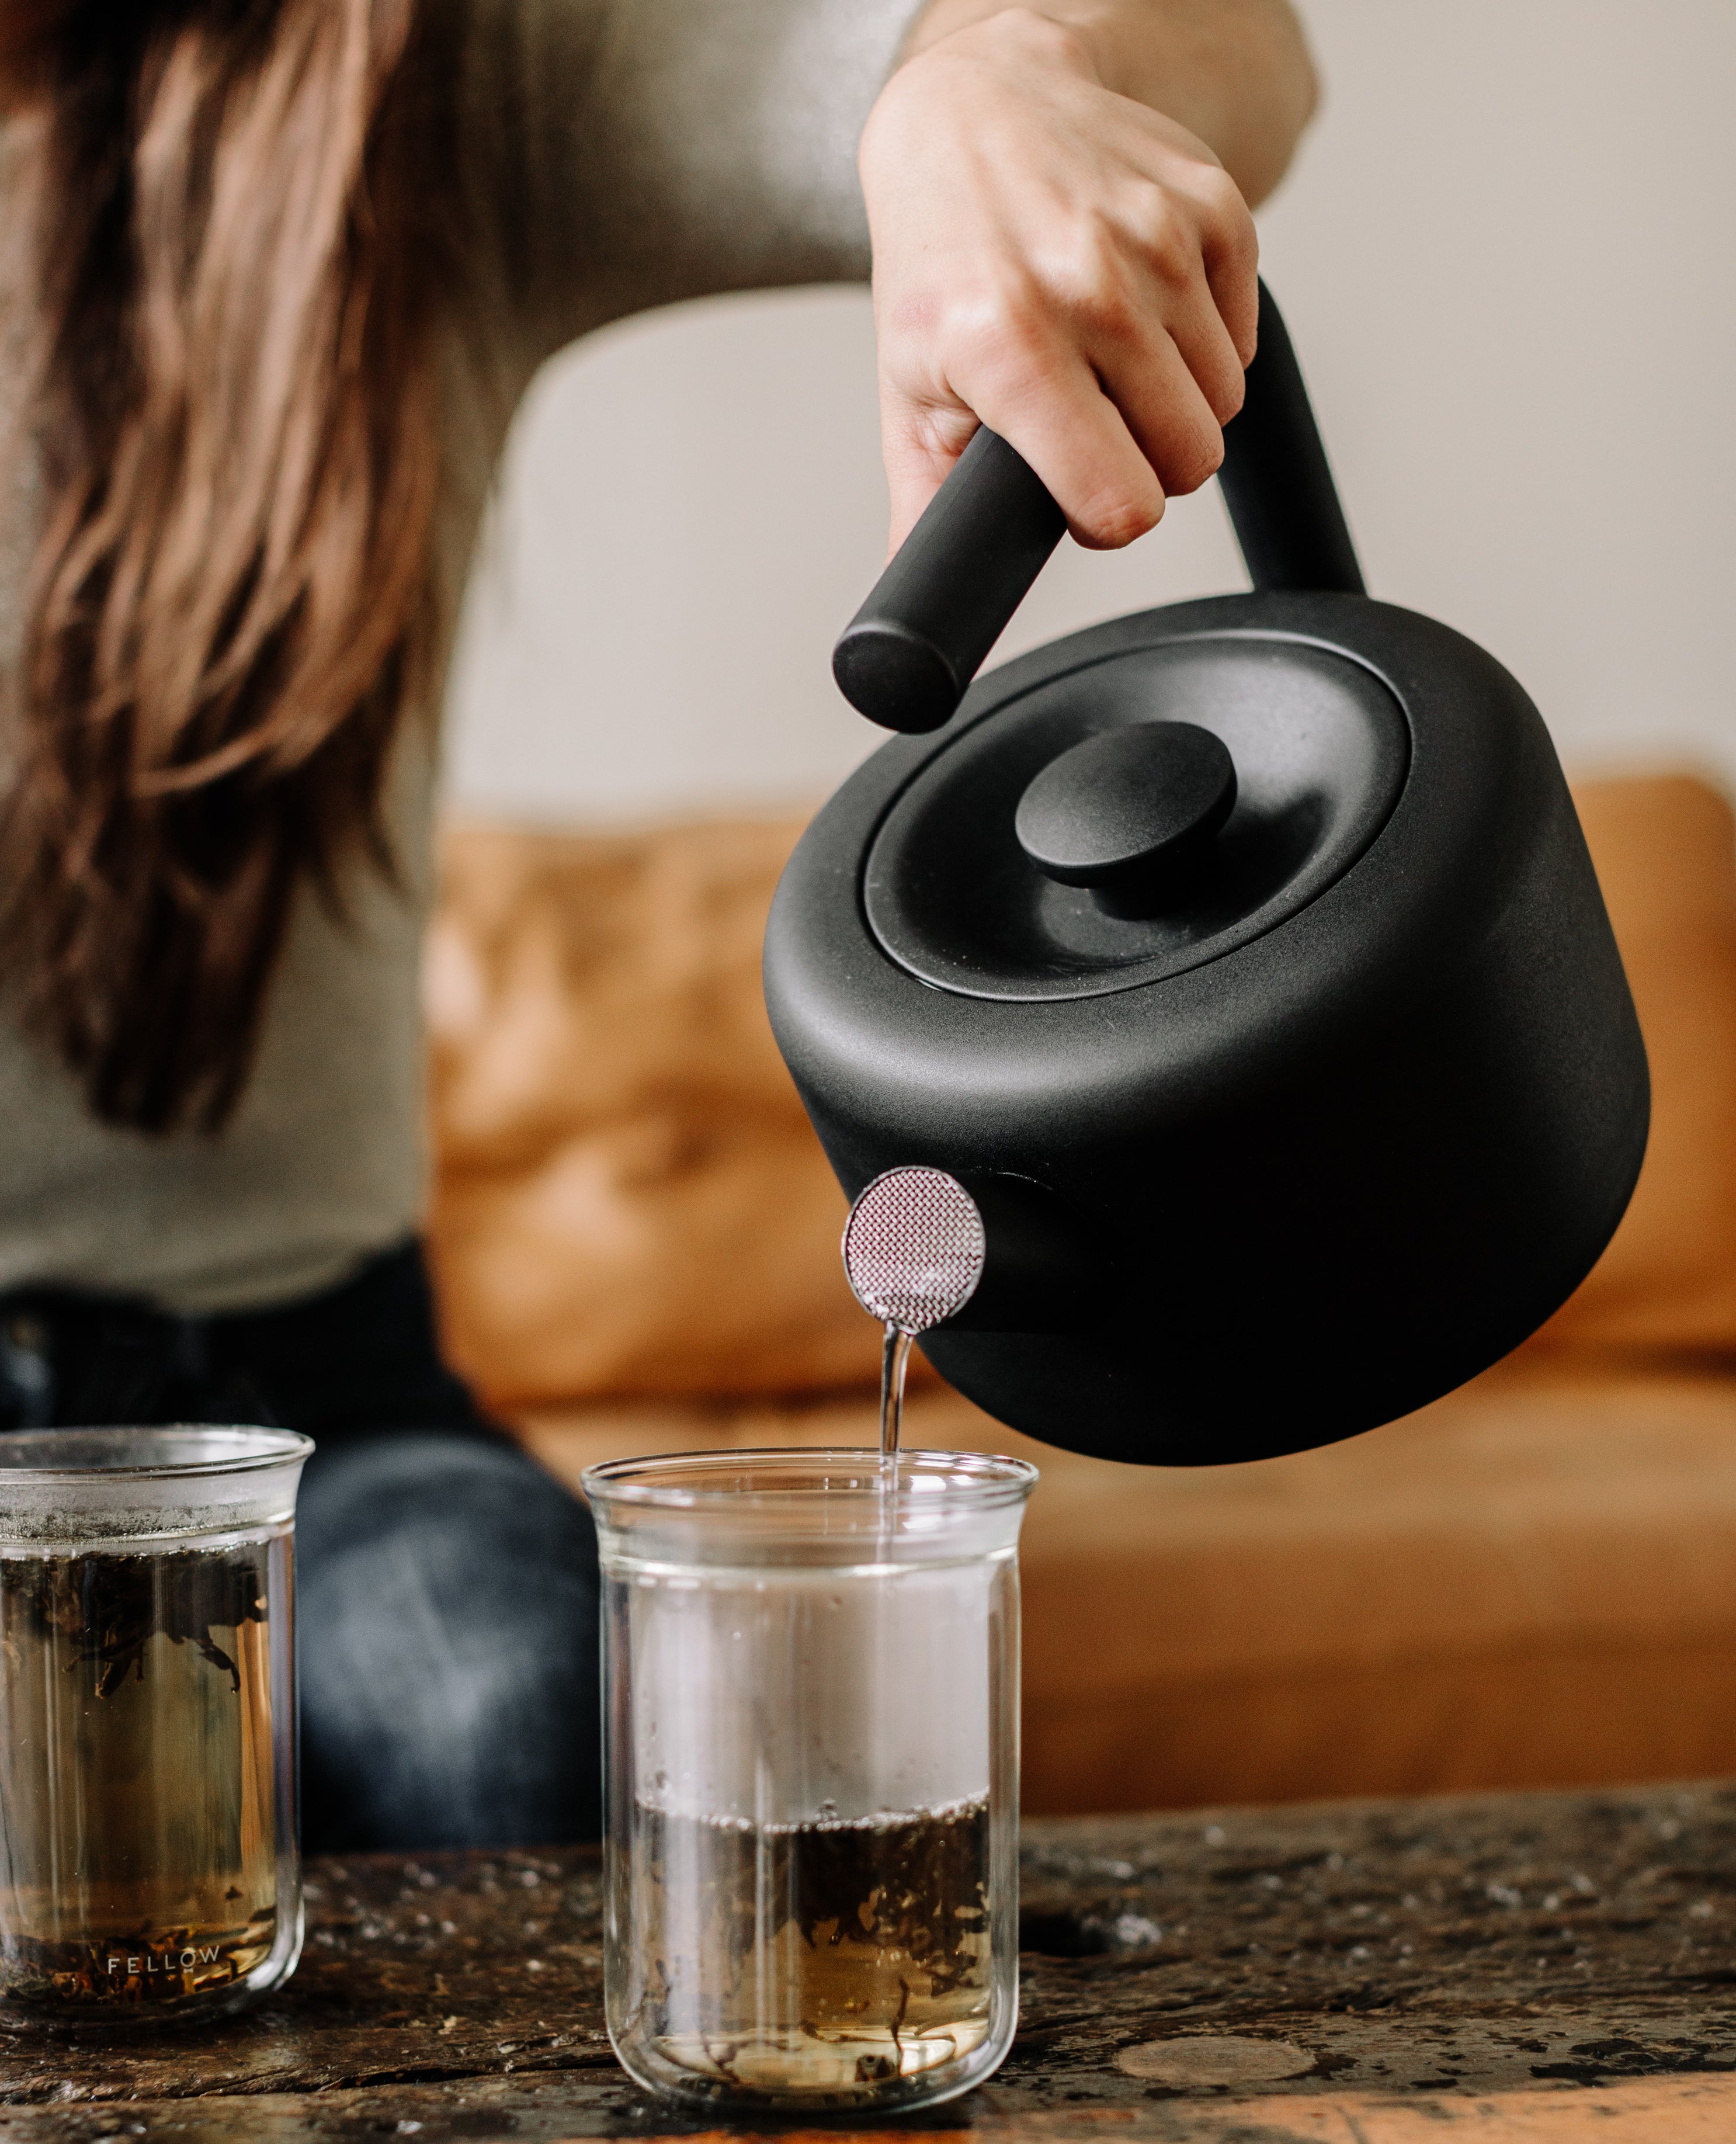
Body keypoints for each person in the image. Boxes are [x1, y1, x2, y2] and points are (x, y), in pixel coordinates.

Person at [0, 0, 1317, 1850]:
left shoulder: (418, 95)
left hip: (305, 1413)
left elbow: (1239, 56)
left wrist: (995, 76)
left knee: (512, 1704)